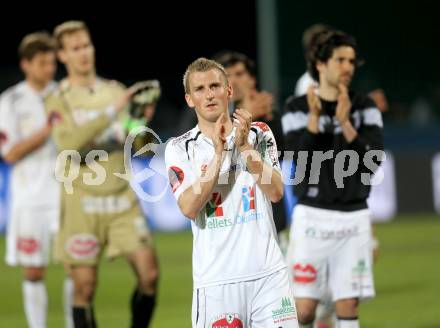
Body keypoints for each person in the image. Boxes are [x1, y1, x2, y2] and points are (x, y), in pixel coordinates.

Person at [165, 57, 299, 328]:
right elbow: (189, 207)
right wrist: (220, 152)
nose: (209, 94)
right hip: (217, 284)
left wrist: (245, 148)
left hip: (269, 277)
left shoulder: (259, 133)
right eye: (200, 89)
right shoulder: (180, 148)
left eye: (215, 86)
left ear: (228, 91)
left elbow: (276, 193)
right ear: (190, 100)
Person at [45, 21, 159, 328]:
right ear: (62, 56)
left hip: (121, 196)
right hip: (81, 198)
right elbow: (67, 143)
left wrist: (141, 122)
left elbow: (139, 145)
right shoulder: (59, 98)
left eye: (87, 45)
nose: (84, 53)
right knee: (84, 287)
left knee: (149, 275)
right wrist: (111, 113)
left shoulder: (114, 90)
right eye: (75, 48)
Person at [283, 30, 384, 328]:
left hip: (352, 215)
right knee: (303, 310)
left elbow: (372, 163)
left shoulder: (364, 107)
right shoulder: (297, 108)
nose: (348, 67)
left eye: (351, 61)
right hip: (312, 216)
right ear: (321, 64)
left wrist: (344, 122)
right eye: (340, 60)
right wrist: (315, 123)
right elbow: (299, 165)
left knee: (348, 303)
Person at [0, 31, 59, 328]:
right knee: (34, 271)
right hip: (29, 200)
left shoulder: (64, 95)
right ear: (26, 64)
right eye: (42, 63)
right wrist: (46, 131)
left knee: (78, 266)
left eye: (51, 62)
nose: (48, 69)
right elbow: (9, 154)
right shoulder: (10, 101)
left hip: (65, 195)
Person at [213, 50, 288, 233]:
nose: (234, 81)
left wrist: (258, 120)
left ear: (252, 79)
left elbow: (281, 155)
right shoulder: (210, 117)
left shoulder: (268, 114)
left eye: (239, 74)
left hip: (270, 212)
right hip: (233, 213)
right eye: (228, 76)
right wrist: (244, 114)